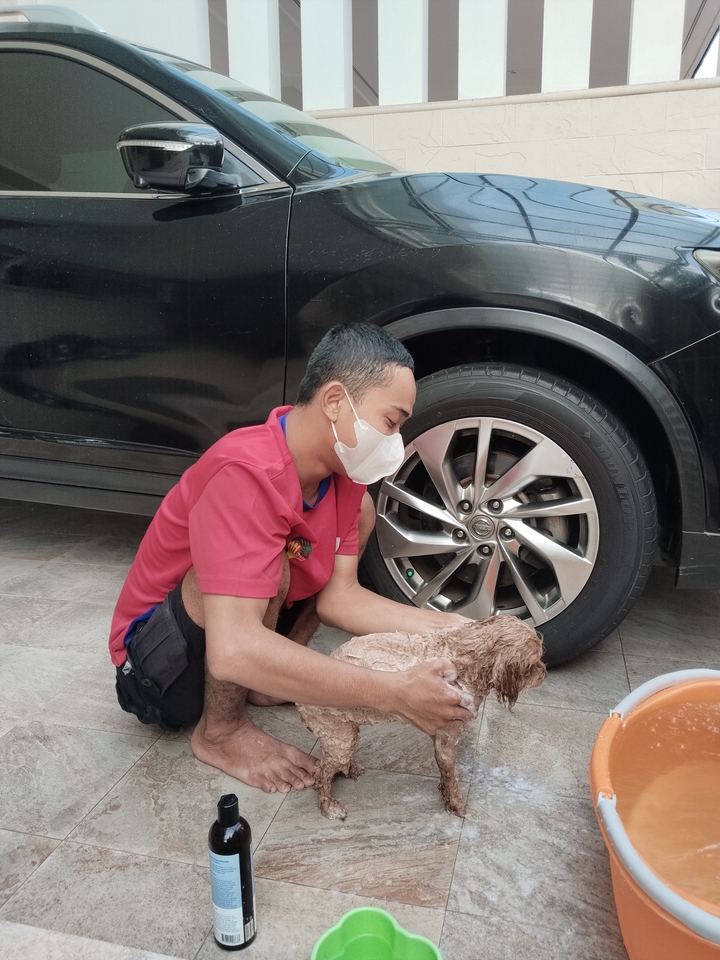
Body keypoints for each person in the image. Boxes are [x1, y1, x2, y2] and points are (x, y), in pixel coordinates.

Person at [109, 323, 473, 795]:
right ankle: (219, 733)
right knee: (275, 564)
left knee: (350, 520)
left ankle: (265, 682)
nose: (395, 442)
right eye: (391, 422)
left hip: (231, 645)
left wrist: (458, 631)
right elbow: (234, 648)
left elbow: (341, 598)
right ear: (335, 401)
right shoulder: (245, 473)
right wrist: (395, 693)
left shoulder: (346, 479)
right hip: (157, 670)